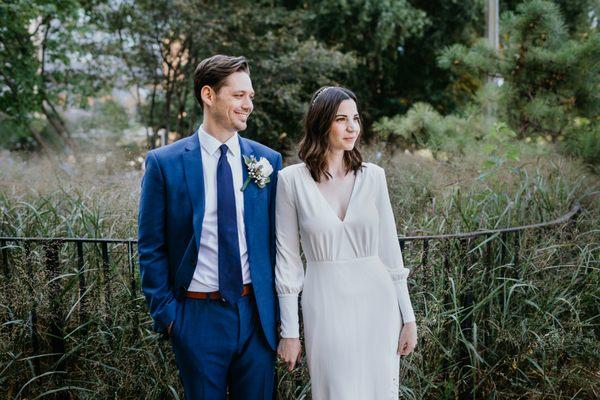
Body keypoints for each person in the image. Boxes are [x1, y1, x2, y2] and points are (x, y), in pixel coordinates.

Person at [137, 54, 282, 399]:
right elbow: (151, 246)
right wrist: (170, 316)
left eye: (250, 97)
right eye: (238, 96)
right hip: (195, 317)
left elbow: (279, 242)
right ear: (208, 95)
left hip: (256, 315)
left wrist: (279, 316)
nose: (248, 105)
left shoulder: (268, 161)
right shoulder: (165, 163)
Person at [275, 86, 418, 399]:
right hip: (325, 302)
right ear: (321, 124)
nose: (352, 126)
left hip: (378, 303)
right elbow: (287, 262)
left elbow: (391, 253)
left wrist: (408, 317)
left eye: (355, 118)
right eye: (342, 119)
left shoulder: (374, 177)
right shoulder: (290, 181)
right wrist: (289, 331)